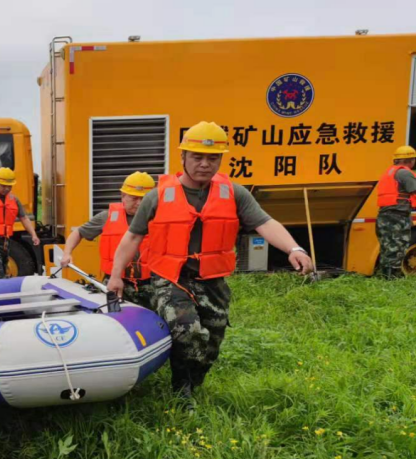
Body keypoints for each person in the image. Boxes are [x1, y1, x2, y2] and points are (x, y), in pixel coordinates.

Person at [108, 121, 314, 400]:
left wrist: (294, 248)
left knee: (211, 344)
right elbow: (132, 237)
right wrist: (116, 275)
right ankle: (181, 392)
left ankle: (192, 384)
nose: (205, 164)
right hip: (171, 279)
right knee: (187, 332)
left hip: (212, 280)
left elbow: (265, 223)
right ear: (183, 158)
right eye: (197, 157)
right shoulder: (157, 196)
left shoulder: (234, 193)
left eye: (212, 158)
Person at [59, 172, 156, 309]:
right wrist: (67, 253)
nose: (139, 203)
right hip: (116, 281)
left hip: (152, 284)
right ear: (123, 196)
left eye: (144, 199)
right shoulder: (107, 217)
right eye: (134, 198)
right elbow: (78, 233)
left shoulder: (161, 218)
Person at [375, 145, 416, 278]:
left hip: (385, 216)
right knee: (397, 248)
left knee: (387, 248)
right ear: (411, 160)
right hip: (397, 217)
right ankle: (392, 279)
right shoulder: (404, 173)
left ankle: (385, 277)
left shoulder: (390, 172)